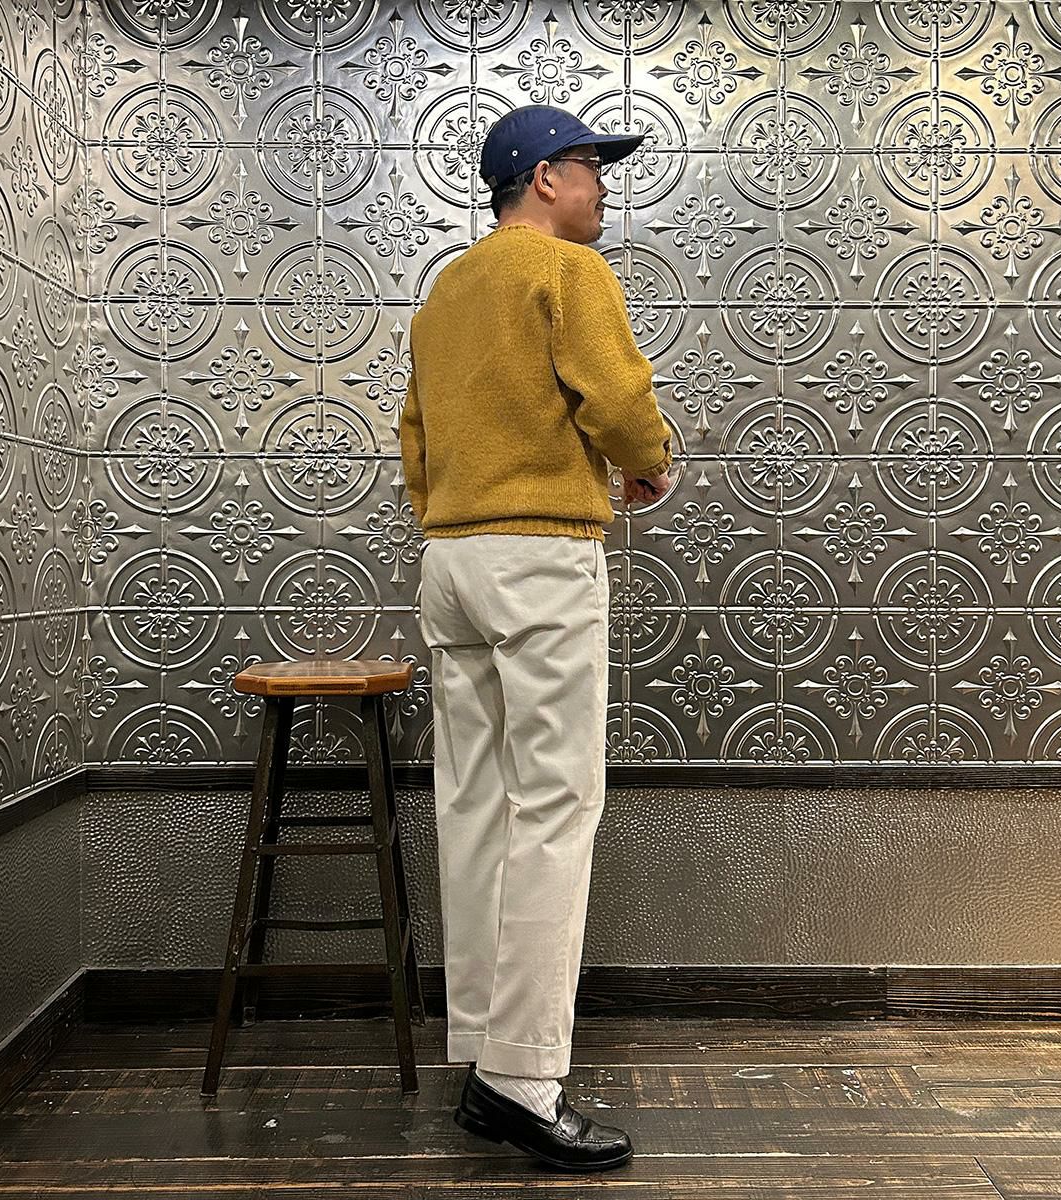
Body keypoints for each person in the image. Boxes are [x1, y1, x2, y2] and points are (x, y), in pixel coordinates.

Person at [398, 104, 674, 1173]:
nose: (603, 186)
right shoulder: (567, 271)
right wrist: (648, 461)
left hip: (451, 560)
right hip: (540, 556)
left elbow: (415, 439)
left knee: (474, 803)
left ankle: (484, 1052)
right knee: (556, 805)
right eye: (593, 167)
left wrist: (452, 519)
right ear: (544, 177)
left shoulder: (445, 292)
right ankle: (520, 1082)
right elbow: (618, 397)